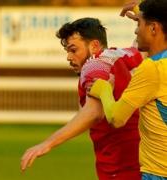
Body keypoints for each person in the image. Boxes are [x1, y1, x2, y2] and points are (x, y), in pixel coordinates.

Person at [21, 17, 143, 179]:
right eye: (67, 51)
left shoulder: (93, 65)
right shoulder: (122, 54)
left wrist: (47, 143)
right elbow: (144, 47)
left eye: (73, 50)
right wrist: (141, 16)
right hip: (143, 160)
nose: (69, 57)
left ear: (94, 46)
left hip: (119, 165)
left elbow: (94, 112)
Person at [89, 0, 167, 179]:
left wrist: (103, 89)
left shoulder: (151, 69)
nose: (135, 30)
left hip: (158, 173)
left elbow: (116, 118)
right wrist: (143, 12)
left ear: (154, 28)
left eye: (139, 24)